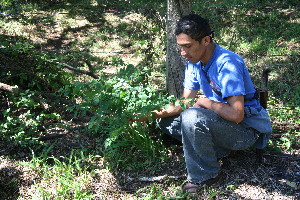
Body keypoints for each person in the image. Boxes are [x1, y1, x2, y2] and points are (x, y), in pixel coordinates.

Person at [134, 14, 272, 193]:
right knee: (166, 120)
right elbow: (184, 103)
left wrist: (205, 101)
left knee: (191, 117)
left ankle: (207, 176)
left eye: (188, 46)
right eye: (181, 47)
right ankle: (211, 151)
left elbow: (237, 115)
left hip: (245, 131)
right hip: (221, 124)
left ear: (206, 40)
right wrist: (151, 114)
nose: (183, 53)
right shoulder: (194, 62)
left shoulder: (227, 63)